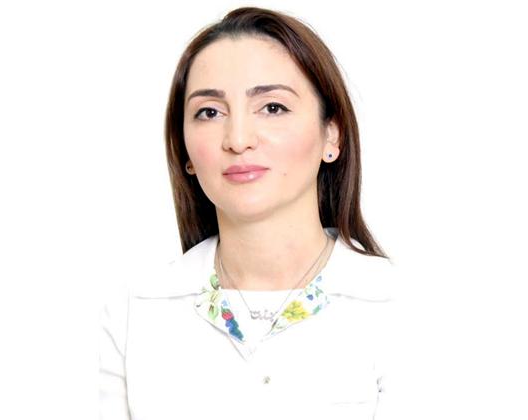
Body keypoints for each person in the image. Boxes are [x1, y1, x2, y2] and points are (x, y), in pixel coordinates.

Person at [99, 6, 397, 419]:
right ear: (185, 151)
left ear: (332, 134)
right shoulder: (134, 310)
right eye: (209, 112)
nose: (238, 139)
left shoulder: (399, 307)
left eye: (272, 107)